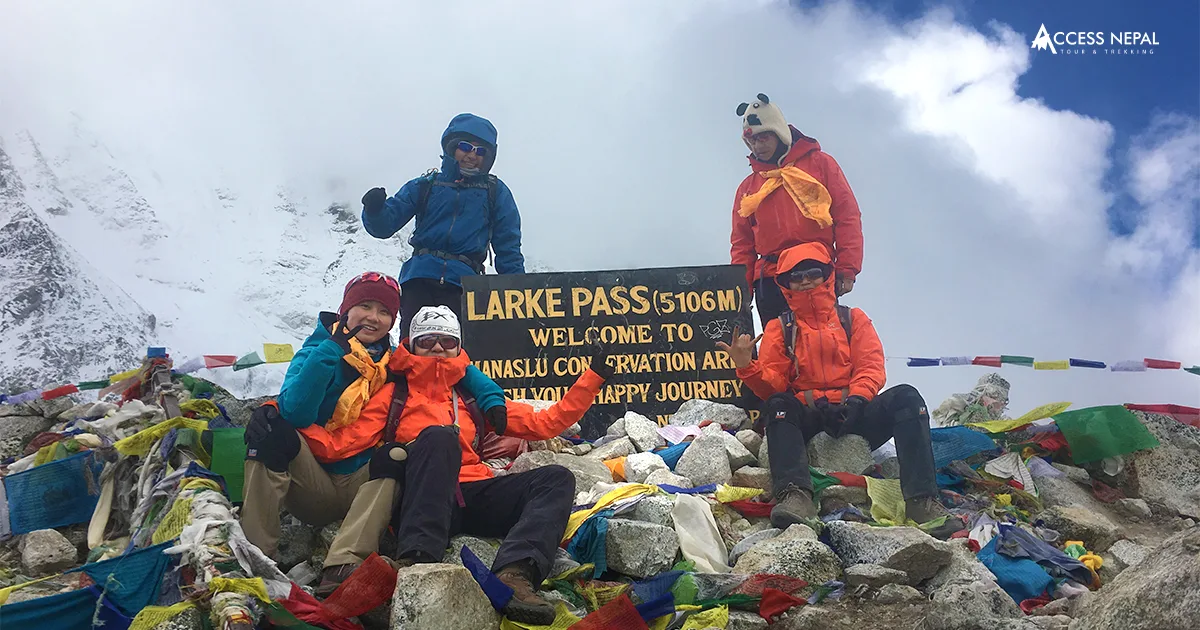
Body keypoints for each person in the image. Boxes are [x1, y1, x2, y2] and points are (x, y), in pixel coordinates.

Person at [239, 272, 508, 596]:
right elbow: (297, 412)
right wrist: (329, 353)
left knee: (396, 454)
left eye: (384, 312)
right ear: (345, 310)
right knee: (272, 432)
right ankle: (254, 560)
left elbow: (453, 365)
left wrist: (491, 396)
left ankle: (342, 564)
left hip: (363, 480)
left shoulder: (391, 361)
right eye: (365, 306)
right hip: (312, 481)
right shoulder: (316, 350)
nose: (374, 317)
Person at [354, 306, 613, 625]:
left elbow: (544, 423)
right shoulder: (393, 396)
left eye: (447, 341)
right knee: (438, 438)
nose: (438, 347)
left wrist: (593, 377)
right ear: (412, 343)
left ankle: (515, 576)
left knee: (556, 478)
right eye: (429, 339)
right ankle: (416, 566)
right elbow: (346, 441)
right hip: (422, 498)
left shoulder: (472, 397)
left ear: (459, 347)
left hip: (474, 492)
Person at [717, 243, 961, 537]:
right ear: (784, 283)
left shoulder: (853, 318)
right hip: (807, 414)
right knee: (779, 403)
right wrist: (748, 366)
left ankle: (922, 501)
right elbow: (775, 384)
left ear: (828, 275)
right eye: (796, 276)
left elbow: (870, 365)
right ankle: (796, 496)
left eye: (813, 272)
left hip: (854, 411)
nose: (805, 280)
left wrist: (858, 399)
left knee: (907, 398)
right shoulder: (778, 327)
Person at [361, 113, 525, 337]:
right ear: (451, 147)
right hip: (419, 280)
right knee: (412, 348)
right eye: (465, 146)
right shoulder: (425, 185)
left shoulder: (495, 192)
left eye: (480, 151)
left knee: (456, 353)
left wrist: (519, 290)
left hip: (465, 286)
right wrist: (374, 210)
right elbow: (384, 226)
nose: (472, 155)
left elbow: (508, 246)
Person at [730, 93, 864, 325]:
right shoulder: (748, 187)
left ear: (778, 133)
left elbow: (847, 216)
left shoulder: (821, 165)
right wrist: (741, 289)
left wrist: (847, 268)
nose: (757, 146)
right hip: (770, 280)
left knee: (821, 346)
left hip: (815, 273)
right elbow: (742, 244)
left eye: (763, 138)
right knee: (777, 352)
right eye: (751, 141)